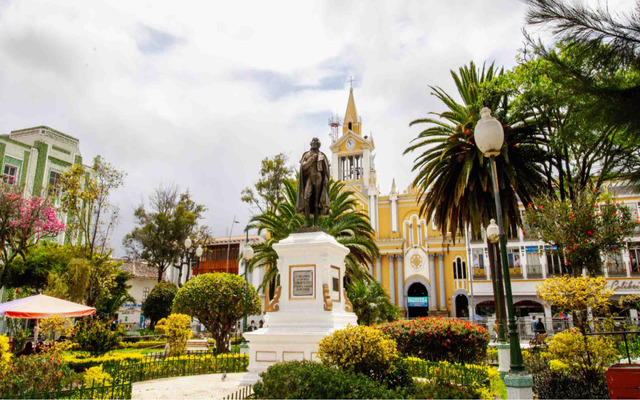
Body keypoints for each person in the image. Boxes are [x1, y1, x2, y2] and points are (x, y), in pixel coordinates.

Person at [296, 137, 330, 226]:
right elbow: (303, 166)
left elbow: (326, 171)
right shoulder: (306, 155)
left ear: (319, 144)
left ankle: (315, 224)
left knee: (316, 201)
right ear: (311, 144)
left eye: (316, 142)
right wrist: (311, 160)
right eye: (313, 142)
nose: (314, 144)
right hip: (309, 179)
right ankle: (307, 222)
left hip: (319, 179)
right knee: (306, 198)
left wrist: (326, 181)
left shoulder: (322, 155)